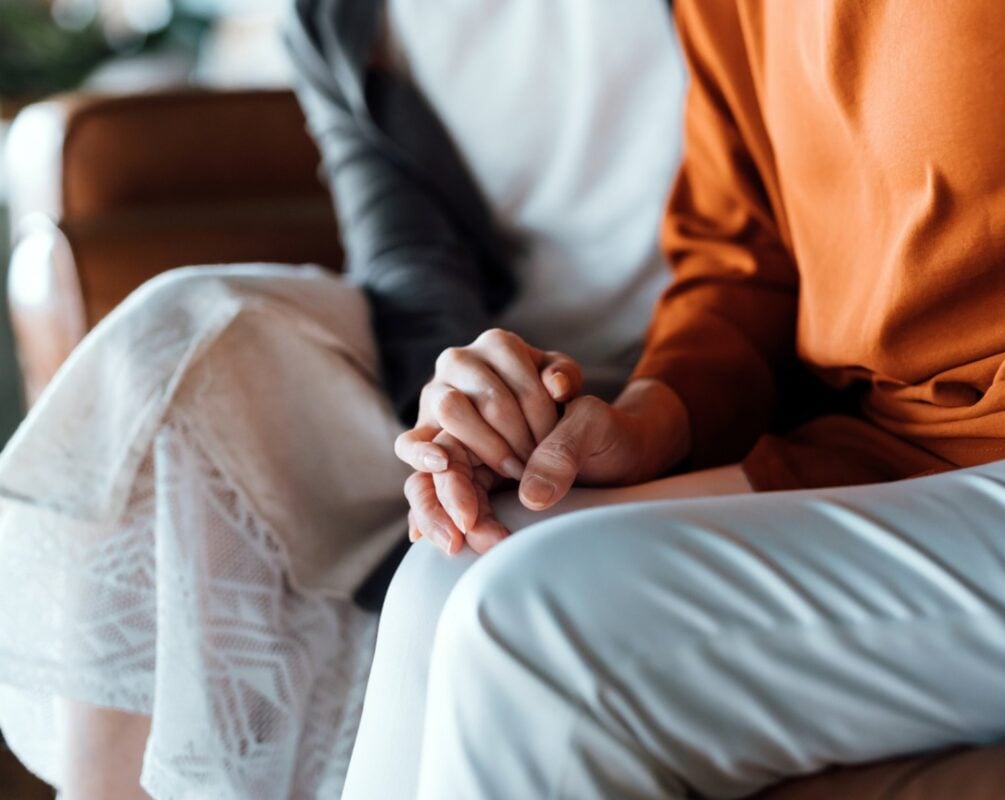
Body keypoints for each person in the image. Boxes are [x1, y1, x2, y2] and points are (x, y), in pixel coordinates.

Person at [345, 1, 1005, 797]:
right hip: (915, 448)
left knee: (539, 633)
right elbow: (741, 256)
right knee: (451, 574)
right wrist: (647, 416)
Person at [0, 0, 684, 797]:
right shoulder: (335, 16)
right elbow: (409, 271)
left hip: (677, 367)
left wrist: (625, 401)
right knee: (176, 336)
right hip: (468, 365)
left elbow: (756, 253)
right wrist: (457, 415)